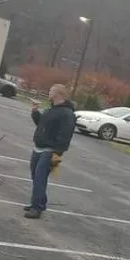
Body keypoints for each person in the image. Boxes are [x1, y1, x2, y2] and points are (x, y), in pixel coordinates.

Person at [24, 84, 75, 219]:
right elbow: (41, 124)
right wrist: (35, 112)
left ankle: (37, 208)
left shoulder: (66, 113)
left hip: (50, 151)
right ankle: (39, 202)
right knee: (36, 176)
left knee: (40, 178)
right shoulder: (51, 109)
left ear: (59, 94)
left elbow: (65, 134)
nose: (49, 93)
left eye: (51, 91)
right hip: (38, 148)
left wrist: (57, 153)